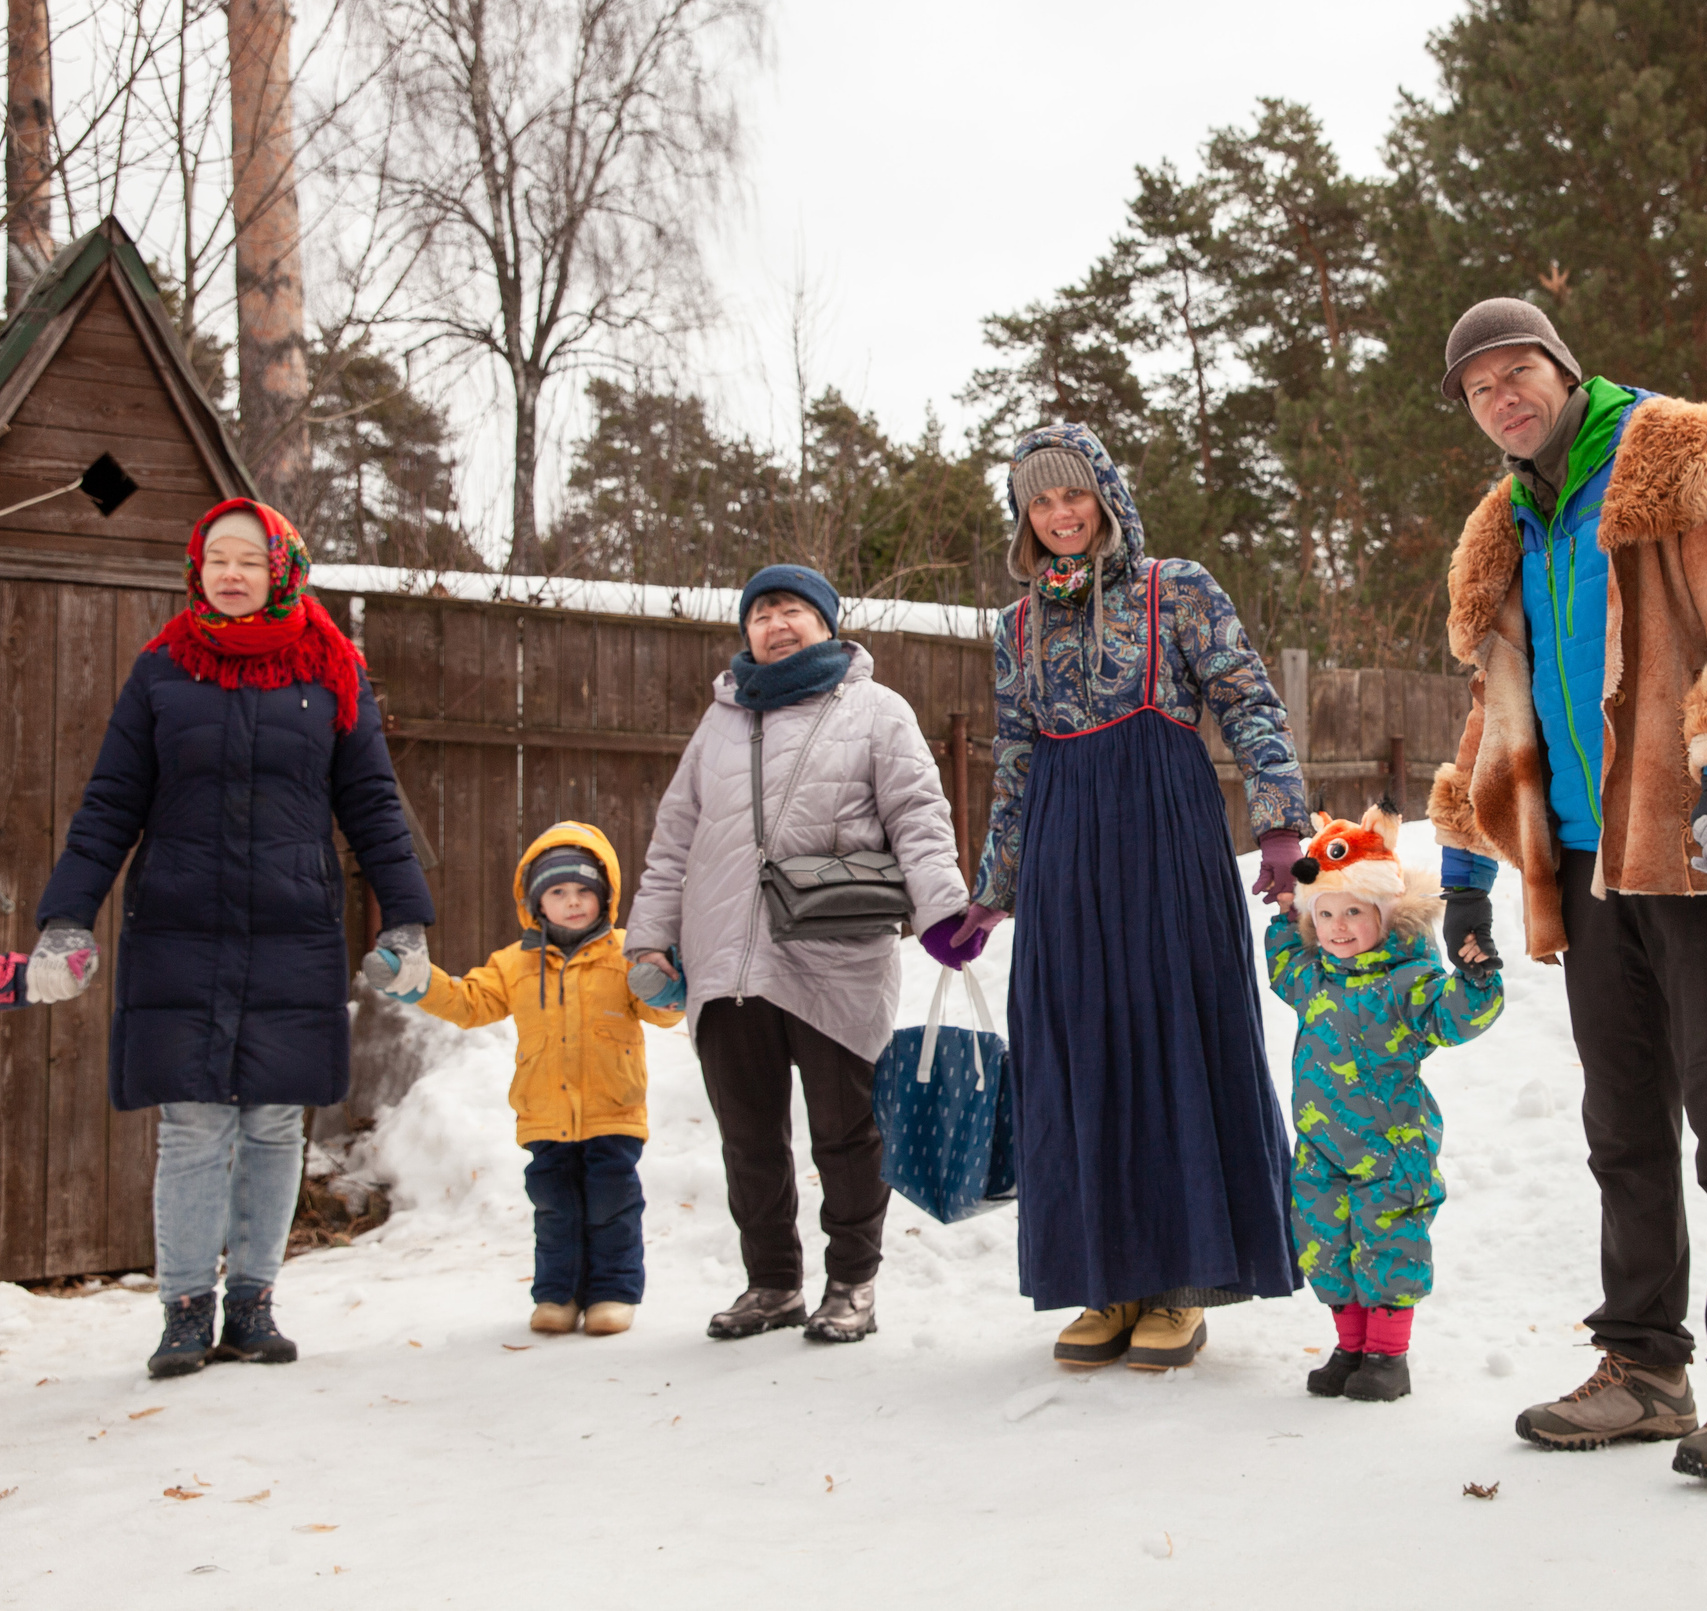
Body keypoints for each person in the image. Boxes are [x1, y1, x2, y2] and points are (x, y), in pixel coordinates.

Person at [1427, 298, 1707, 1478]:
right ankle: (1645, 1365)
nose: (1504, 397)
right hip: (1584, 862)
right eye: (1480, 389)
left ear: (1562, 368)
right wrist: (1463, 875)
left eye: (1518, 372)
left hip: (1696, 844)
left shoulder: (1673, 454)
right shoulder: (1506, 526)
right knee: (1623, 1130)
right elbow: (1490, 715)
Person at [25, 497, 431, 1379]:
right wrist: (64, 918)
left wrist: (406, 919)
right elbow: (109, 804)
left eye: (250, 558)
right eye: (218, 560)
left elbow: (372, 807)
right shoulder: (162, 671)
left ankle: (252, 1302)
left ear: (282, 567)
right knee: (194, 1120)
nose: (234, 573)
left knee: (275, 1120)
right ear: (197, 570)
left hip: (291, 924)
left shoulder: (331, 670)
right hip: (180, 923)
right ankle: (182, 1308)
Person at [943, 424, 1308, 1374]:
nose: (1061, 516)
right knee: (1076, 1041)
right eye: (1041, 502)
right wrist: (993, 890)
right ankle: (1105, 1277)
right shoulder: (1015, 625)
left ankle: (1184, 1278)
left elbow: (1249, 698)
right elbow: (1015, 758)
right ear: (1023, 517)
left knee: (1171, 1029)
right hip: (1065, 846)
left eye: (1075, 496)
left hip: (1167, 832)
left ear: (1105, 495)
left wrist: (1278, 820)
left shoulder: (1174, 589)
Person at [625, 565, 967, 1345]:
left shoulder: (878, 711)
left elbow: (920, 813)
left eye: (792, 611)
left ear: (826, 622)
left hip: (833, 955)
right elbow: (674, 836)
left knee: (846, 1134)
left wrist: (943, 906)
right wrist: (650, 935)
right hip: (724, 959)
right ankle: (773, 1282)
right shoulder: (720, 720)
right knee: (748, 1138)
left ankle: (852, 1282)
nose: (775, 624)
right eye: (761, 614)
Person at [366, 822, 681, 1337]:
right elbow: (470, 1003)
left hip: (613, 1110)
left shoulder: (626, 953)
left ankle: (612, 1294)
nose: (574, 902)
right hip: (544, 1115)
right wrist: (415, 983)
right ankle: (557, 1295)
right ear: (536, 902)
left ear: (605, 898)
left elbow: (664, 1014)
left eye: (585, 891)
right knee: (555, 1210)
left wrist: (662, 983)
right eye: (559, 892)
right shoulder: (514, 964)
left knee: (611, 1205)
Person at [1266, 805, 1504, 1404]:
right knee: (1325, 1243)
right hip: (1320, 1150)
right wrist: (1284, 910)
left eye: (1354, 912)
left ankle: (1387, 1357)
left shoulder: (1408, 984)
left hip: (1392, 1150)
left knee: (1388, 1244)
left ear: (1386, 915)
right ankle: (1350, 1348)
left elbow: (1455, 1018)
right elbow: (1281, 962)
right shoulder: (1312, 977)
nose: (1338, 926)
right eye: (1326, 914)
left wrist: (1477, 980)